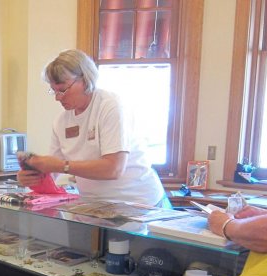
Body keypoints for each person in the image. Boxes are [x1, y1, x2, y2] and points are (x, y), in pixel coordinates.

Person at [17, 49, 169, 207]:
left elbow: (113, 169)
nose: (57, 97)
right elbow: (52, 173)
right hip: (95, 207)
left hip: (139, 205)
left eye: (62, 90)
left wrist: (61, 166)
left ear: (84, 80)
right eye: (54, 91)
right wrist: (32, 177)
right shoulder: (61, 121)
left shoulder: (110, 106)